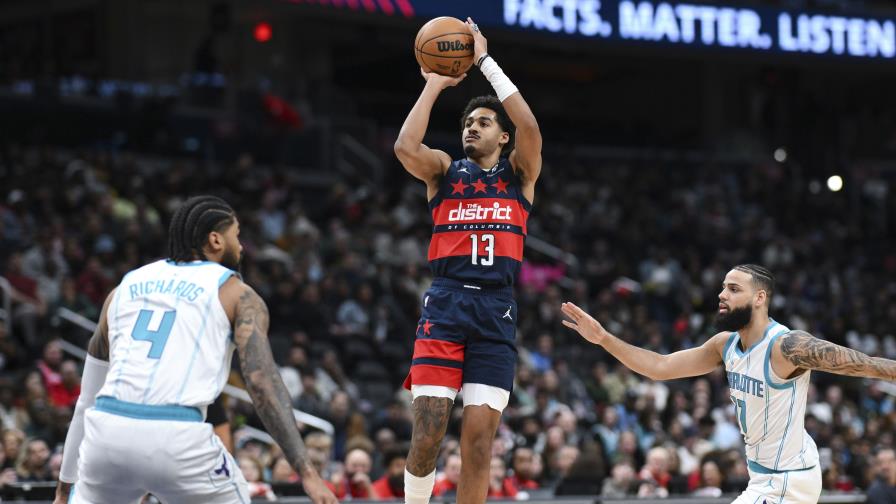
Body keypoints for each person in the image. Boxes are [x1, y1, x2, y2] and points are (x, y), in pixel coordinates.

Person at [52, 196, 337, 503]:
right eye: (237, 235)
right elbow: (261, 383)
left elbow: (87, 399)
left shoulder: (122, 289)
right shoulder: (237, 294)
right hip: (177, 435)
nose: (241, 247)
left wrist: (64, 489)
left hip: (106, 435)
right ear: (216, 240)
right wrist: (307, 472)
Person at [563, 264, 896, 503]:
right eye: (723, 287)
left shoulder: (785, 346)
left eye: (734, 289)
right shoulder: (725, 345)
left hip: (786, 481)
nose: (722, 295)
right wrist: (603, 338)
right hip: (767, 475)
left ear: (760, 298)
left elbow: (860, 363)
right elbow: (660, 367)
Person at [393, 17, 542, 504]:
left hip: (496, 309)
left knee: (478, 445)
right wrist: (435, 84)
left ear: (503, 138)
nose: (472, 128)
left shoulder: (519, 176)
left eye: (483, 123)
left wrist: (483, 61)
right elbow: (404, 147)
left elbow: (529, 125)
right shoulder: (444, 171)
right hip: (446, 303)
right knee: (428, 432)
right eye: (467, 124)